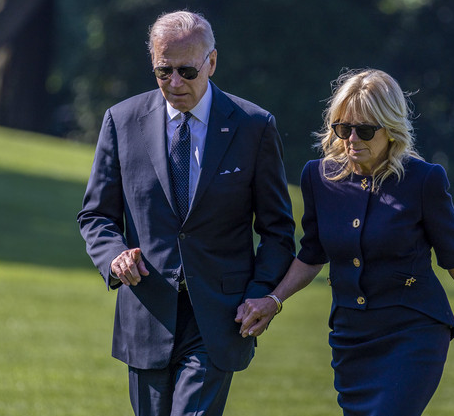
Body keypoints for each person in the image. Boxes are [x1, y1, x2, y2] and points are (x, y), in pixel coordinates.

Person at [235, 68, 454, 416]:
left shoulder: (424, 180)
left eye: (365, 130)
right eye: (343, 128)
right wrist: (273, 300)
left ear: (391, 129)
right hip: (351, 339)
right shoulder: (317, 177)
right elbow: (311, 255)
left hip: (414, 333)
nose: (352, 139)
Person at [77, 10, 295, 416]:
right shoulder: (121, 121)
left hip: (219, 317)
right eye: (164, 71)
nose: (175, 83)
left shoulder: (254, 126)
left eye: (187, 71)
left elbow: (278, 230)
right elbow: (96, 216)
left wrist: (261, 294)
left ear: (212, 62)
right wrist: (114, 257)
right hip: (147, 314)